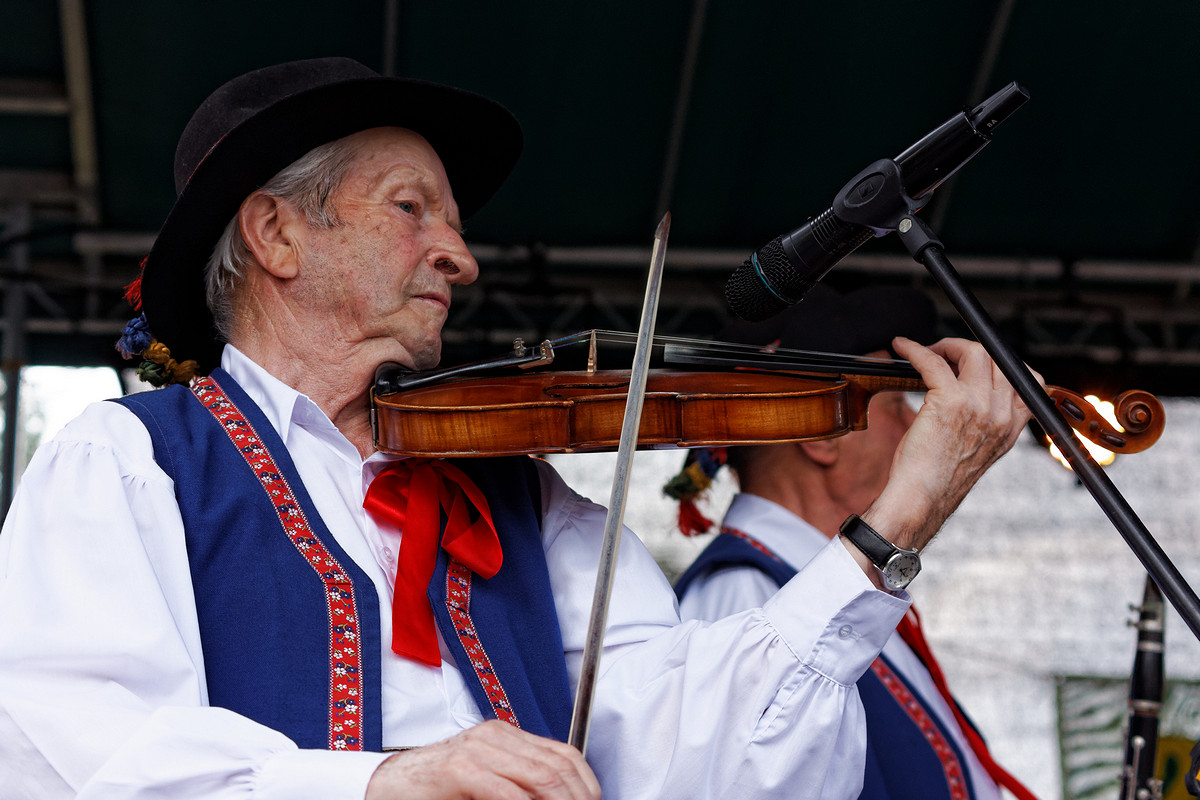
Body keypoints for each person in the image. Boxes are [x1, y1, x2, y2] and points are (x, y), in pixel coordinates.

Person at [0, 58, 1033, 800]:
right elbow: (84, 756)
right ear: (277, 233)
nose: (461, 254)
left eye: (453, 221)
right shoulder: (129, 463)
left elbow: (710, 760)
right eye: (413, 208)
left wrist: (900, 516)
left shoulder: (532, 502)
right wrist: (383, 782)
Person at [670, 284, 1038, 800]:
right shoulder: (745, 597)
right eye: (899, 408)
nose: (916, 423)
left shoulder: (808, 589)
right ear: (824, 435)